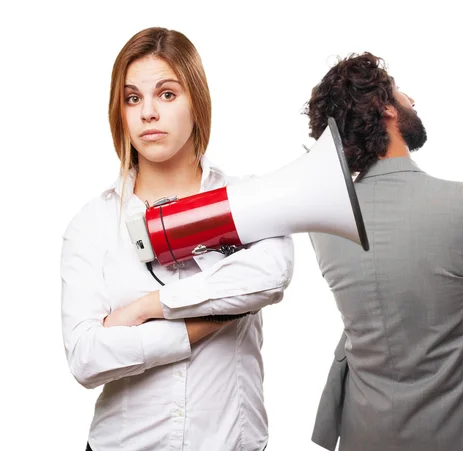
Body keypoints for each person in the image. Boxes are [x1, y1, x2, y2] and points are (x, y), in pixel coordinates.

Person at [60, 27, 293, 451]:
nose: (148, 112)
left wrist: (147, 309)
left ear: (197, 102)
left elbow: (270, 278)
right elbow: (86, 357)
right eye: (133, 98)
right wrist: (199, 325)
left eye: (167, 94)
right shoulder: (92, 223)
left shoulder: (251, 201)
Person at [304, 52, 463, 451]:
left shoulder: (323, 223)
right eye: (401, 93)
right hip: (455, 433)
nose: (411, 100)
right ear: (385, 108)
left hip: (361, 431)